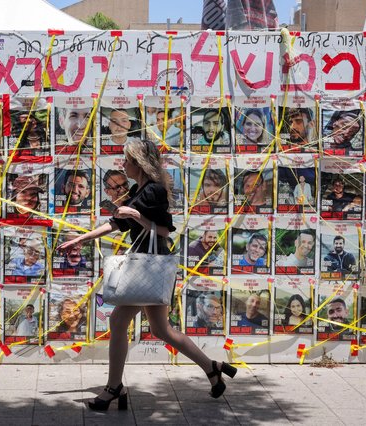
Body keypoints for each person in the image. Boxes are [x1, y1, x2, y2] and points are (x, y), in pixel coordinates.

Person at [57, 138, 236, 410]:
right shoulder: (137, 189)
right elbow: (115, 224)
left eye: (127, 160)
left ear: (139, 163)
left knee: (118, 322)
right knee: (160, 329)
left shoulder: (154, 191)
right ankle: (211, 368)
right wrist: (80, 239)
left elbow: (163, 231)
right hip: (149, 265)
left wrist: (137, 215)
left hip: (151, 265)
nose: (123, 164)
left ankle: (114, 387)